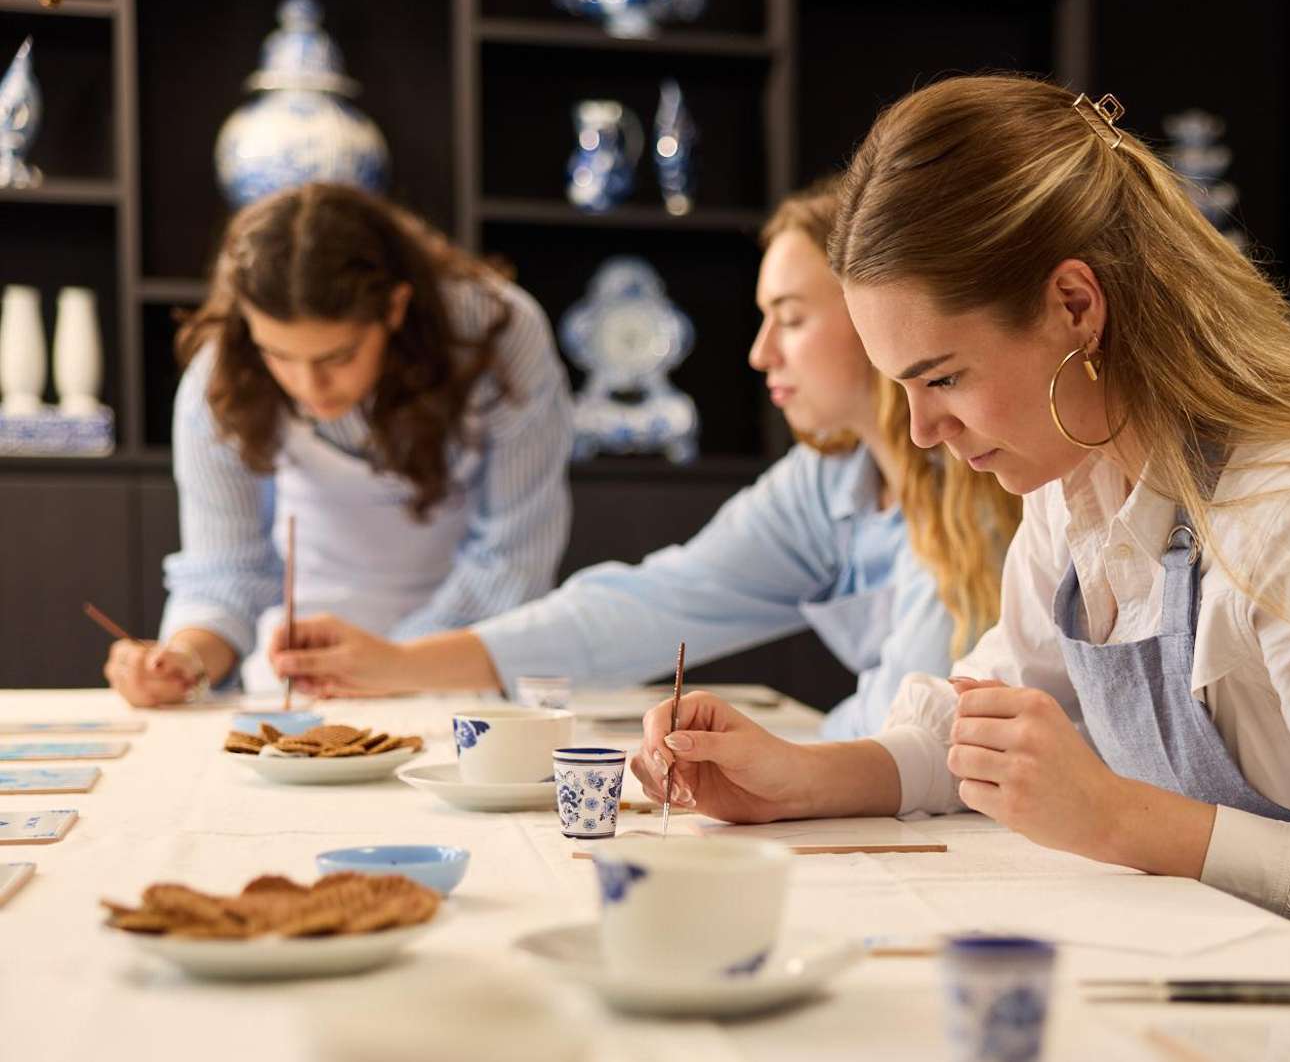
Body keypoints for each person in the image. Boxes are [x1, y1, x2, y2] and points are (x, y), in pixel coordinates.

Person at [627, 75, 1290, 949]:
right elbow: (983, 730)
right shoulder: (1077, 482)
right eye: (901, 388)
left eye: (944, 377)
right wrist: (794, 779)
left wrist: (1125, 818)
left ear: (1076, 305)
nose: (918, 432)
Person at [272, 177, 1021, 739]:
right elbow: (649, 606)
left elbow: (911, 729)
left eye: (789, 319)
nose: (761, 354)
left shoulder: (982, 476)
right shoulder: (828, 481)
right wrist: (398, 664)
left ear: (875, 316)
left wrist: (784, 756)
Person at [104, 183, 572, 707]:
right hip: (301, 679)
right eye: (278, 355)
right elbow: (226, 573)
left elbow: (512, 560)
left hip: (462, 669)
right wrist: (184, 661)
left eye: (338, 357)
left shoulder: (499, 336)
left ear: (395, 308)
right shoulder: (220, 377)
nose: (308, 386)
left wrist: (389, 666)